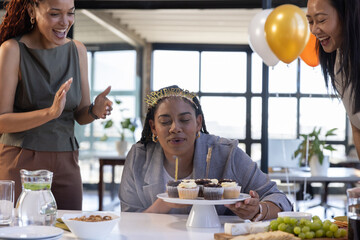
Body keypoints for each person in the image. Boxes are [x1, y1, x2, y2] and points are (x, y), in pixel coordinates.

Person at [0, 0, 113, 210]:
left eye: (70, 13)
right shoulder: (12, 50)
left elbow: (81, 114)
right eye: (55, 14)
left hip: (67, 159)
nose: (65, 22)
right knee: (17, 231)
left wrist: (95, 111)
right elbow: (2, 121)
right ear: (32, 10)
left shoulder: (77, 50)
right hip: (21, 159)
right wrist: (49, 113)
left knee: (68, 229)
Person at [119, 85, 292, 221]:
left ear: (198, 123)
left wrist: (258, 210)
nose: (175, 128)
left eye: (185, 120)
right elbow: (128, 219)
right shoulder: (138, 157)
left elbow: (280, 199)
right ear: (153, 127)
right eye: (165, 122)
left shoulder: (226, 154)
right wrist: (162, 204)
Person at [306, 0, 360, 158]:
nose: (314, 29)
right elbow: (356, 126)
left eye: (321, 20)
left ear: (346, 16)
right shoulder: (337, 62)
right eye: (310, 21)